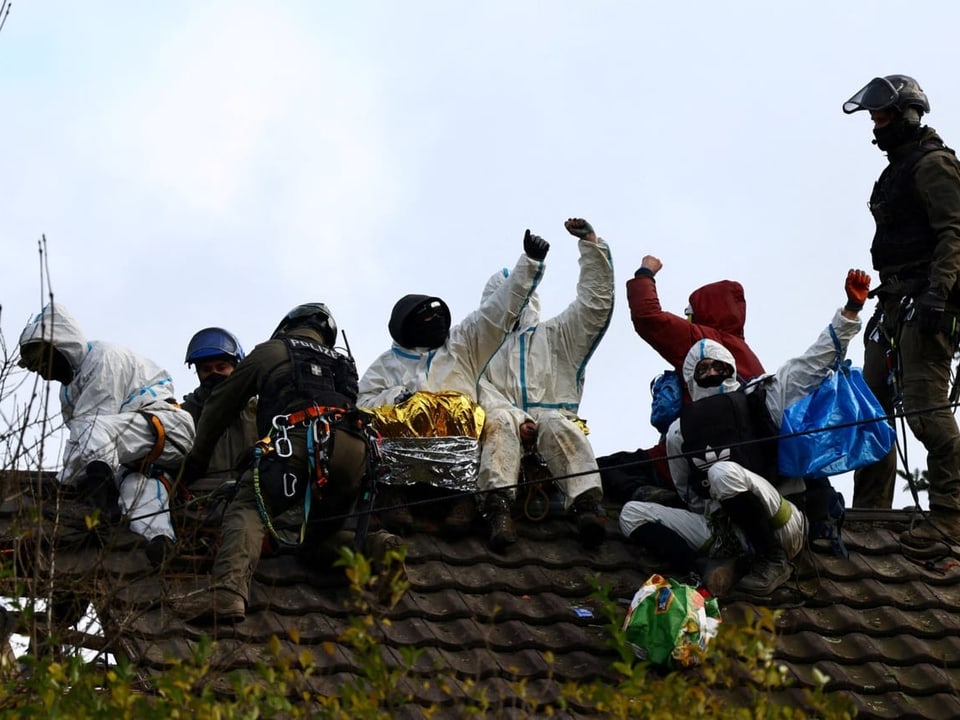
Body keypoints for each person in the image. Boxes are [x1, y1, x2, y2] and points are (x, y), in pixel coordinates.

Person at [618, 270, 871, 596]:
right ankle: (703, 569)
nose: (711, 372)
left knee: (724, 473)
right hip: (724, 533)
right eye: (703, 369)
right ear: (690, 377)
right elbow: (689, 494)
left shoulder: (763, 397)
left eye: (718, 366)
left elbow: (815, 361)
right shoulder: (679, 432)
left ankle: (773, 559)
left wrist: (850, 309)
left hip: (783, 522)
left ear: (732, 368)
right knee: (631, 514)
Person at [172, 303, 374, 623]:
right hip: (353, 450)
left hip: (299, 439)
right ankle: (380, 549)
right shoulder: (342, 360)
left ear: (287, 325)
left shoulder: (271, 351)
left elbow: (219, 407)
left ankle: (227, 593)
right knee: (319, 539)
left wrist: (195, 462)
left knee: (248, 504)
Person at [358, 230, 548, 533]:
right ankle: (394, 497)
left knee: (471, 412)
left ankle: (466, 501)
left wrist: (530, 262)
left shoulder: (462, 346)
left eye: (437, 316)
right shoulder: (386, 364)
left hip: (461, 454)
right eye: (425, 318)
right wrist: (401, 399)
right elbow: (363, 403)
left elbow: (495, 314)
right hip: (403, 455)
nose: (434, 322)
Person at [843, 74, 960, 549]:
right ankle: (873, 518)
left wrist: (939, 292)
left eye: (883, 116)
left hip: (928, 300)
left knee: (925, 410)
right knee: (869, 412)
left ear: (908, 116)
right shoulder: (897, 169)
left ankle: (952, 517)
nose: (876, 125)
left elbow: (956, 232)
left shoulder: (934, 165)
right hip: (892, 302)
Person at [17, 302, 195, 566]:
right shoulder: (68, 392)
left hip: (167, 427)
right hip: (135, 455)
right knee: (138, 490)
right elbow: (84, 445)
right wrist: (68, 479)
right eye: (33, 366)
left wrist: (64, 483)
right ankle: (161, 542)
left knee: (94, 427)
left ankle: (104, 505)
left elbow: (93, 429)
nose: (40, 371)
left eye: (40, 360)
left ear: (61, 345)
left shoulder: (103, 358)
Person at [477, 218, 613, 551]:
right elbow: (481, 394)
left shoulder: (558, 337)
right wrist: (516, 417)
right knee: (498, 421)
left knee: (557, 424)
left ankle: (586, 507)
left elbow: (594, 307)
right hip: (503, 428)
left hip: (551, 430)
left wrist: (591, 247)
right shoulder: (479, 348)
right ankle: (498, 511)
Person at [597, 259, 767, 503]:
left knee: (598, 471)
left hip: (690, 459)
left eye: (689, 314)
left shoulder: (702, 343)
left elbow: (648, 316)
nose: (687, 320)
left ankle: (656, 499)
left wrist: (645, 274)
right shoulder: (748, 357)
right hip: (742, 466)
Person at [181, 327, 259, 492]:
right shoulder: (184, 414)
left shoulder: (258, 410)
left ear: (237, 368)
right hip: (197, 505)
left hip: (248, 499)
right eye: (206, 370)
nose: (214, 374)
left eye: (221, 367)